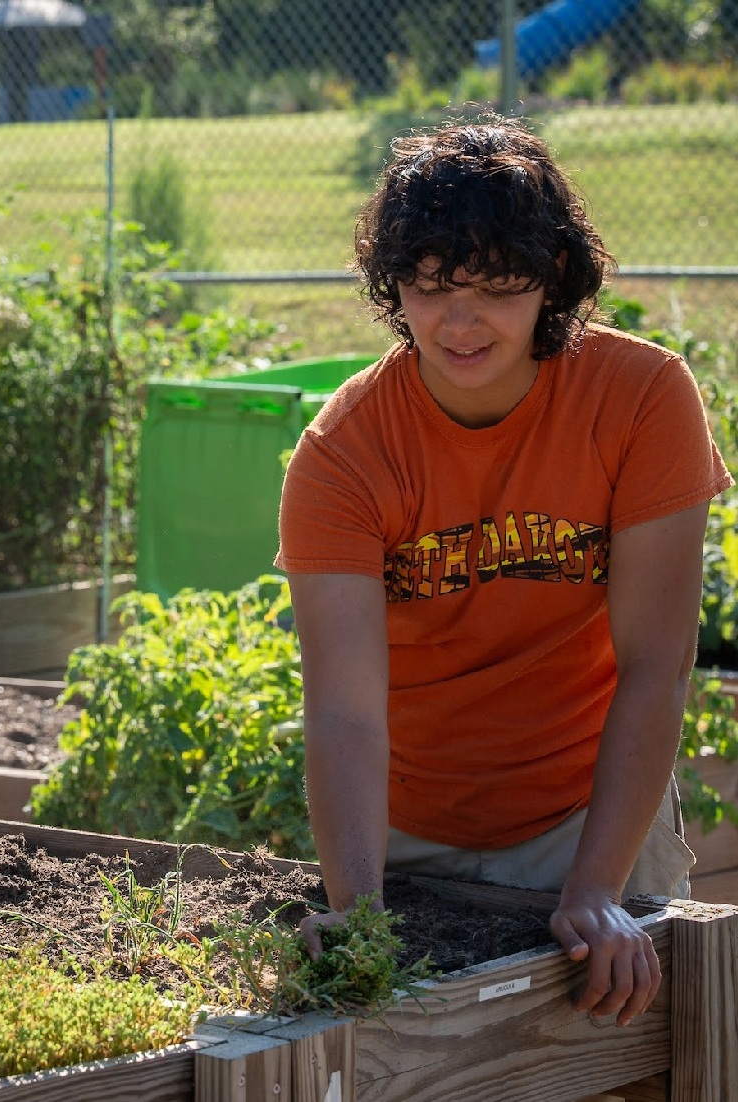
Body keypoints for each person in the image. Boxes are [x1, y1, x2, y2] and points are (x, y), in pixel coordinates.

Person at [277, 118, 729, 1028]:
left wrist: (596, 887)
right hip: (405, 835)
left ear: (552, 276)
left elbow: (655, 665)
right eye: (430, 286)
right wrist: (357, 907)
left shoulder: (641, 399)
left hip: (587, 813)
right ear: (388, 283)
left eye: (492, 287)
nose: (458, 321)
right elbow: (343, 712)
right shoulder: (341, 454)